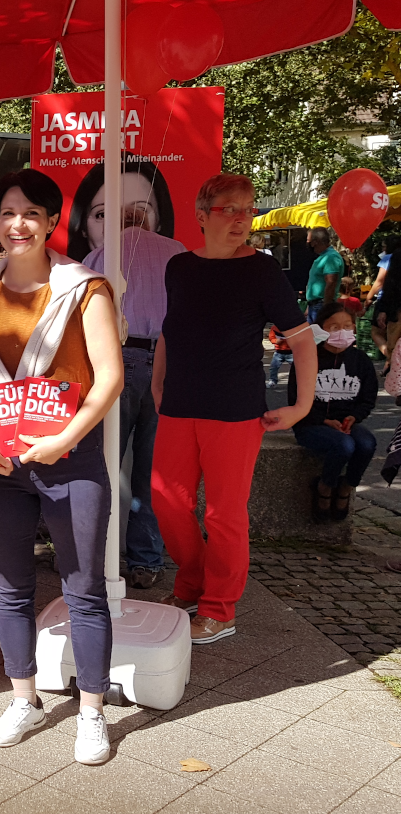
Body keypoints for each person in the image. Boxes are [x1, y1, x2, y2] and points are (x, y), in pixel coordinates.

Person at [0, 169, 123, 766]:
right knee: (9, 587)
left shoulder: (86, 288)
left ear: (52, 221)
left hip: (70, 459)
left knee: (84, 590)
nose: (17, 224)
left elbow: (109, 380)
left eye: (30, 213)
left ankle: (92, 711)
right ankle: (23, 696)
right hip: (2, 463)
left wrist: (67, 441)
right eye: (6, 213)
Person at [152, 173, 317, 645]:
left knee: (225, 514)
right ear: (202, 215)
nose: (242, 218)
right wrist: (159, 384)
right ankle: (191, 584)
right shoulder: (179, 267)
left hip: (236, 411)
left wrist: (302, 404)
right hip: (179, 406)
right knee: (167, 500)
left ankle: (220, 609)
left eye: (248, 208)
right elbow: (170, 329)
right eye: (229, 208)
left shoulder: (262, 270)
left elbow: (301, 338)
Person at [83, 223, 186, 590]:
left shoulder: (101, 253)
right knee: (152, 470)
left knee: (101, 464)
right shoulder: (178, 251)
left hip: (116, 358)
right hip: (170, 360)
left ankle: (94, 557)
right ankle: (147, 561)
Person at [289, 302, 377, 522]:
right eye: (335, 327)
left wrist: (354, 417)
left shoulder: (361, 361)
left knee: (366, 444)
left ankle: (346, 487)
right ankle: (324, 487)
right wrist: (323, 420)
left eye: (348, 326)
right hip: (311, 424)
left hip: (346, 422)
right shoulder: (307, 358)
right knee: (343, 446)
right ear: (321, 328)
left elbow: (367, 399)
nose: (342, 332)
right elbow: (295, 400)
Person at [66, 154, 175, 261]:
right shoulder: (78, 273)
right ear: (83, 226)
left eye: (139, 211)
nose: (121, 226)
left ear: (160, 221)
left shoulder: (177, 258)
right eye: (103, 214)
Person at [304, 227, 343, 323]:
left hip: (321, 304)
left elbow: (331, 282)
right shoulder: (323, 257)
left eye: (309, 241)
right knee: (314, 336)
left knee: (320, 335)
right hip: (315, 304)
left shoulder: (330, 257)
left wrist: (326, 307)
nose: (307, 243)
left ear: (315, 242)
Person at [366, 234, 399, 303]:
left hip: (387, 299)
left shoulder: (387, 258)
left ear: (389, 247)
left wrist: (368, 298)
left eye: (384, 247)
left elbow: (379, 282)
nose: (383, 249)